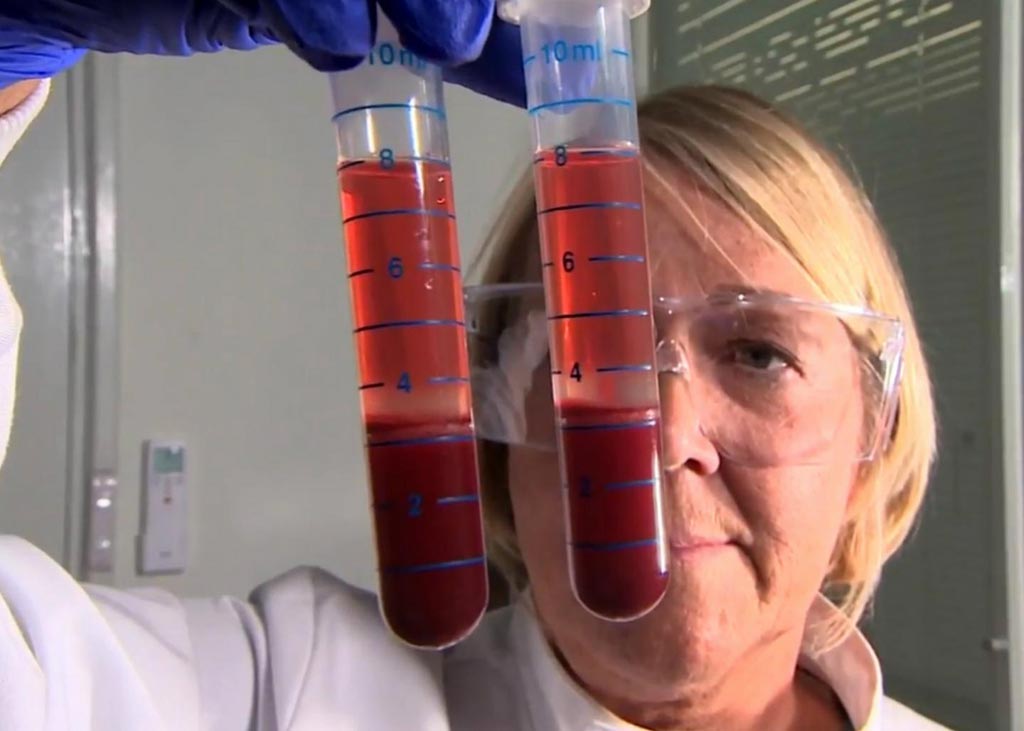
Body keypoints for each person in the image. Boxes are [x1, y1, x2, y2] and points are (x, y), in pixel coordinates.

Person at [0, 5, 952, 731]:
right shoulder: (283, 693)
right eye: (588, 335)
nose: (661, 434)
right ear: (491, 415)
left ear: (875, 436)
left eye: (758, 351)